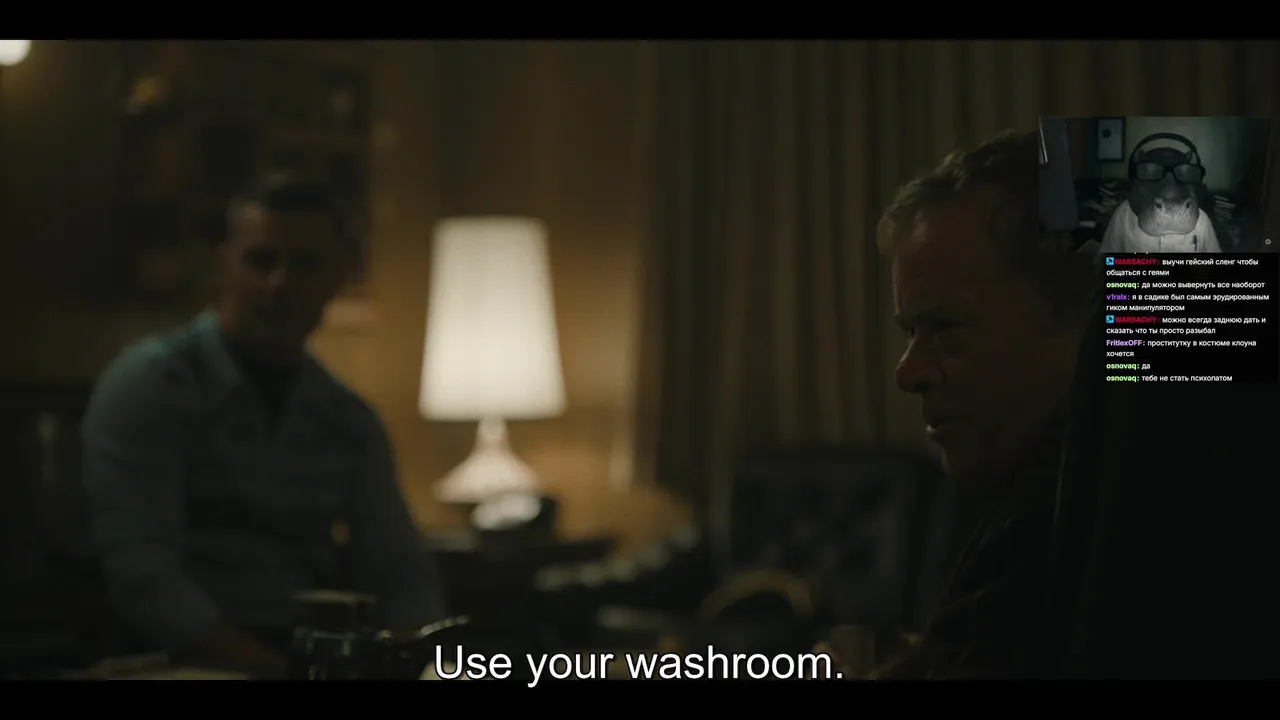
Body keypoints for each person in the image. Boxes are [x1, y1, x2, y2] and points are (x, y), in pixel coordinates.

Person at [81, 174, 447, 677]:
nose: (280, 284)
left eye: (305, 264)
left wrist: (413, 661)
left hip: (304, 655)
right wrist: (273, 670)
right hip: (179, 660)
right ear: (224, 265)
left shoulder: (345, 418)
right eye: (261, 260)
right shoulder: (153, 386)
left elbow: (401, 572)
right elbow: (143, 576)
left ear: (336, 278)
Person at [819, 130, 1098, 678]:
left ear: (1079, 323)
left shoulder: (1080, 520)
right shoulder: (1031, 484)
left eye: (945, 328)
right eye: (910, 332)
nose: (907, 373)